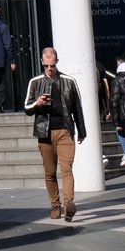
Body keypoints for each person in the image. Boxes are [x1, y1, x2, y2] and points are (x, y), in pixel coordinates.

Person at [24, 46, 88, 224]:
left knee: (67, 169)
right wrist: (37, 103)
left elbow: (78, 108)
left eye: (52, 65)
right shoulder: (35, 82)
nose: (50, 68)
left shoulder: (69, 81)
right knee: (50, 172)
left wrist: (81, 131)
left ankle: (69, 204)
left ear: (57, 62)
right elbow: (27, 108)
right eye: (47, 66)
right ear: (42, 63)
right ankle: (55, 206)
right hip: (44, 133)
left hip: (65, 131)